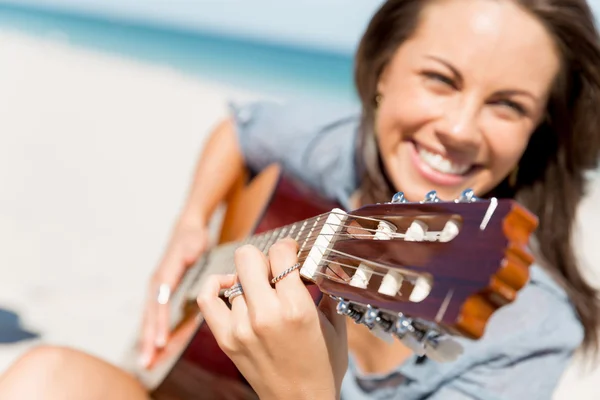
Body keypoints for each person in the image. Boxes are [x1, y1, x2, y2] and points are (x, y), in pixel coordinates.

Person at [1, 0, 599, 398]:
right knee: (41, 377)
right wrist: (189, 230)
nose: (461, 129)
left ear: (539, 130)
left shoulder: (529, 326)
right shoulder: (350, 149)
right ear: (384, 73)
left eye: (508, 104)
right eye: (440, 79)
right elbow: (240, 126)